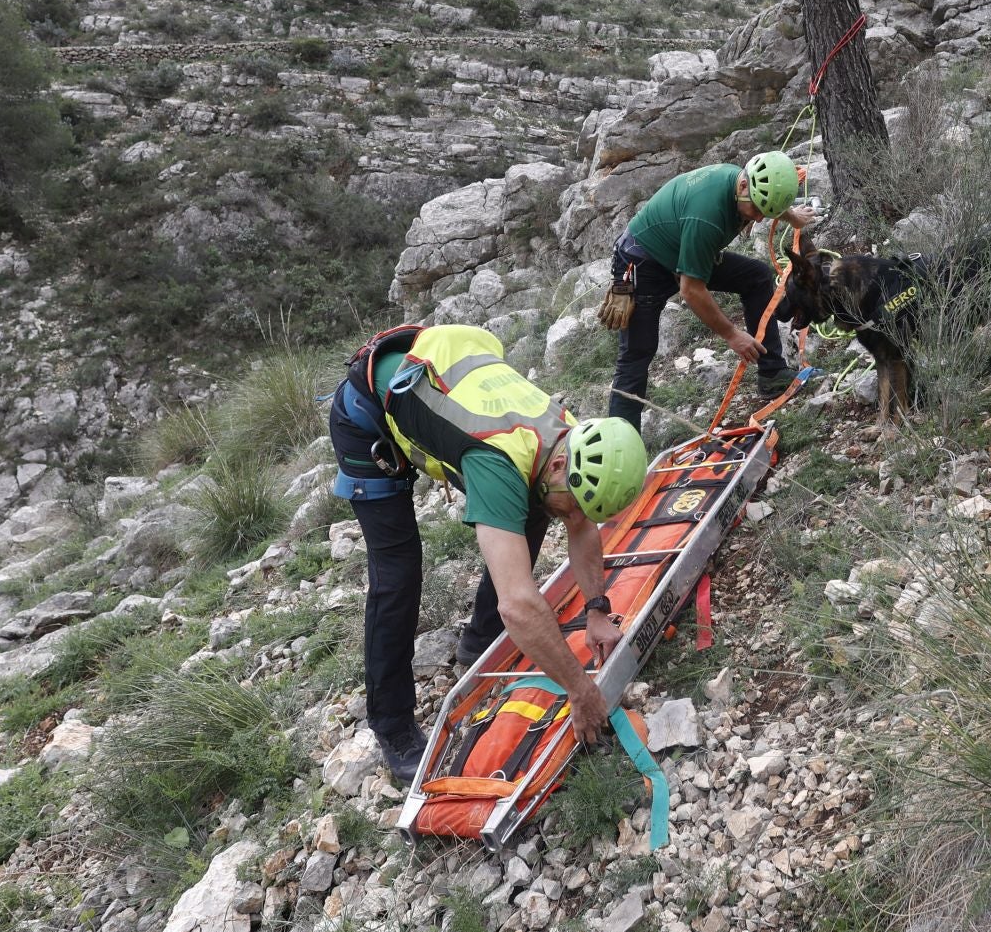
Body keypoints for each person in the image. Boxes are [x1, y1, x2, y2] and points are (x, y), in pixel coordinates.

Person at [329, 323, 649, 781]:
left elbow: (580, 524)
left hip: (435, 392)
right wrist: (579, 690)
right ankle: (392, 725)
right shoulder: (499, 462)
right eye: (575, 500)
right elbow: (519, 604)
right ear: (561, 463)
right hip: (366, 416)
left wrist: (597, 609)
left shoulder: (570, 437)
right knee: (397, 571)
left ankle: (479, 643)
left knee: (542, 502)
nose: (574, 514)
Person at [605, 151, 815, 428]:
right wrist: (732, 335)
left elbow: (765, 198)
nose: (760, 219)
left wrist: (790, 216)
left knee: (757, 277)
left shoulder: (744, 182)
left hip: (682, 249)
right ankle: (618, 441)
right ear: (743, 186)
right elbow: (691, 290)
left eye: (768, 212)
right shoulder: (708, 217)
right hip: (642, 264)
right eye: (756, 210)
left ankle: (772, 374)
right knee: (637, 353)